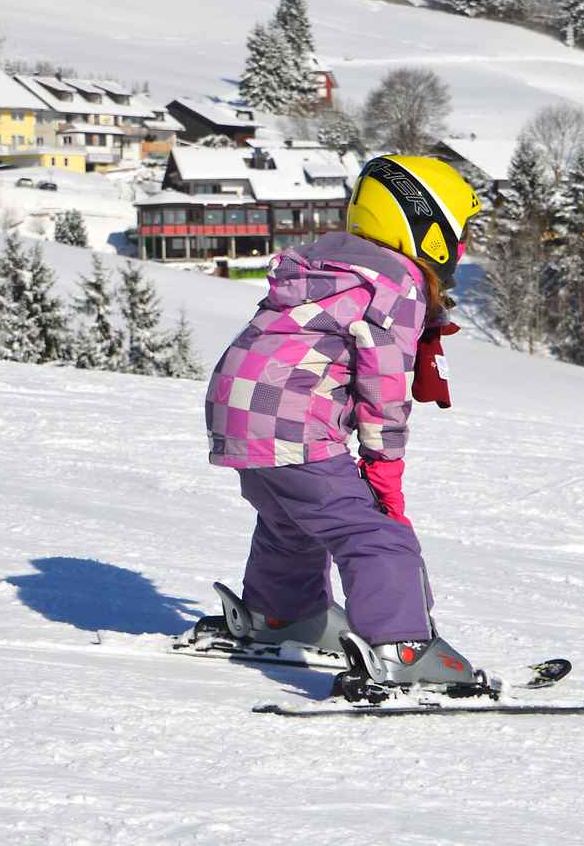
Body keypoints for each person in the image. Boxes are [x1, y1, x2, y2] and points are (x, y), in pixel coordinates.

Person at [204, 155, 482, 689]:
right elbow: (384, 383)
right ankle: (402, 649)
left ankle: (284, 615)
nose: (463, 246)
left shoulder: (327, 265)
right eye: (461, 231)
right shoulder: (394, 282)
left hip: (236, 409)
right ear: (429, 226)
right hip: (291, 420)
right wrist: (384, 464)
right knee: (375, 536)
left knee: (293, 520)